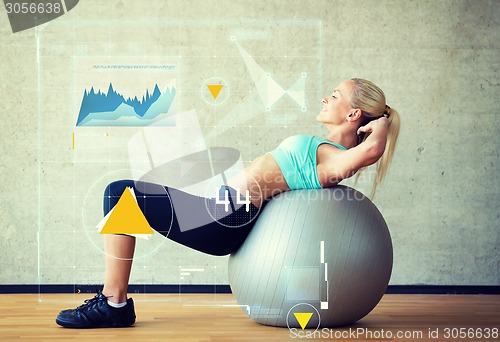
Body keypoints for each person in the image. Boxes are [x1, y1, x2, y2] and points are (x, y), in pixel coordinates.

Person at [55, 78, 400, 328]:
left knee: (121, 193)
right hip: (220, 209)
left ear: (354, 114)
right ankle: (113, 302)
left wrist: (382, 123)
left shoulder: (333, 158)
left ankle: (113, 303)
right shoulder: (327, 150)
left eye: (335, 95)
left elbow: (370, 151)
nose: (326, 98)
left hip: (226, 219)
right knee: (123, 194)